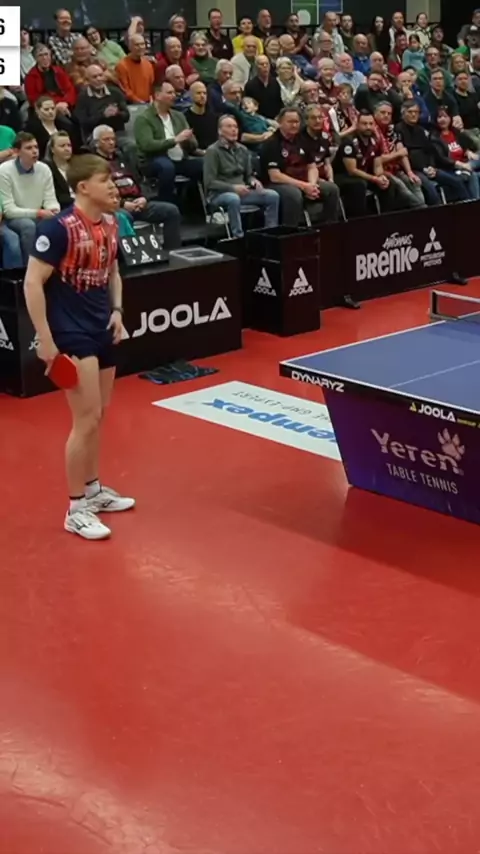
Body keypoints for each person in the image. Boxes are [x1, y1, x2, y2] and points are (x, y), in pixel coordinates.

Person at [24, 154, 135, 539]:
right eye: (106, 181)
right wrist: (45, 338)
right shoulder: (57, 229)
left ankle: (93, 490)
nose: (114, 187)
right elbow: (32, 283)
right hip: (70, 332)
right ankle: (75, 509)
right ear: (84, 187)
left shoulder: (111, 224)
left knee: (99, 414)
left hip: (102, 326)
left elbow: (113, 272)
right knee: (84, 420)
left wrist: (117, 310)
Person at [93, 124, 181, 249]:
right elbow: (99, 193)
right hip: (116, 207)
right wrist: (123, 204)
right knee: (124, 217)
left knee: (171, 211)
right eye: (106, 140)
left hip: (138, 202)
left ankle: (172, 252)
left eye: (113, 139)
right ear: (96, 143)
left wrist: (144, 198)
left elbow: (140, 180)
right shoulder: (94, 164)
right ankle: (131, 256)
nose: (111, 142)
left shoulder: (124, 157)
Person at [260, 106, 339, 225]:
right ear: (280, 122)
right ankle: (291, 230)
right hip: (279, 183)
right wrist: (304, 186)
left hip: (303, 180)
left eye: (296, 122)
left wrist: (312, 184)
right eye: (290, 122)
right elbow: (275, 176)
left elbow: (312, 166)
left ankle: (329, 227)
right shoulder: (272, 143)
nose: (294, 125)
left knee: (331, 189)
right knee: (294, 194)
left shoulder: (302, 140)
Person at [203, 114, 279, 237]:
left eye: (235, 127)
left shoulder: (243, 150)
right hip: (219, 195)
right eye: (229, 126)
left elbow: (248, 175)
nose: (234, 130)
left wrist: (253, 181)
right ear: (220, 131)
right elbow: (210, 182)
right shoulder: (212, 151)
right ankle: (238, 237)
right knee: (233, 198)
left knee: (272, 196)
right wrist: (233, 188)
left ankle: (270, 234)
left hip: (243, 192)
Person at [134, 81, 202, 202]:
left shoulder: (178, 116)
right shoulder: (144, 119)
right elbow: (147, 145)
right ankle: (166, 203)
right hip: (153, 160)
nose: (174, 96)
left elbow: (193, 145)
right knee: (166, 167)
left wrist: (188, 141)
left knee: (203, 164)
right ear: (157, 95)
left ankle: (198, 204)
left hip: (179, 159)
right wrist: (175, 140)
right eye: (169, 93)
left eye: (174, 93)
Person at [333, 110, 410, 217]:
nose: (368, 127)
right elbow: (352, 170)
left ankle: (387, 218)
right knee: (359, 185)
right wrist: (374, 179)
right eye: (364, 124)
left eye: (370, 124)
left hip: (364, 175)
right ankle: (360, 220)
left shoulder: (374, 141)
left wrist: (380, 177)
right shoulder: (349, 142)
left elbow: (377, 165)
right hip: (343, 176)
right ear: (357, 125)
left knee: (388, 183)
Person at [0, 132, 60, 263]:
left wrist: (54, 210)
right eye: (29, 148)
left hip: (39, 214)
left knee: (58, 222)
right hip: (14, 218)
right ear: (17, 152)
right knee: (28, 225)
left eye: (36, 147)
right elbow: (9, 210)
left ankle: (54, 268)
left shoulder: (44, 169)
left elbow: (50, 199)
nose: (34, 151)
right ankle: (30, 268)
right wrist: (38, 212)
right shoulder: (4, 170)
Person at [396, 100, 470, 204]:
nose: (413, 114)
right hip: (414, 170)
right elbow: (404, 154)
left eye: (416, 112)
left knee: (456, 182)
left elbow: (430, 151)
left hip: (429, 168)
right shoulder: (398, 129)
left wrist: (431, 166)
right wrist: (421, 169)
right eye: (410, 112)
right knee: (432, 190)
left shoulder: (421, 130)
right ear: (403, 113)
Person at [373, 101, 426, 207]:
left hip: (396, 169)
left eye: (389, 113)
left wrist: (409, 172)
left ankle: (423, 209)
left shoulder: (392, 130)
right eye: (383, 112)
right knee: (400, 186)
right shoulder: (372, 132)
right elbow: (377, 160)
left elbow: (403, 152)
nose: (386, 115)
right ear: (375, 114)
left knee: (414, 182)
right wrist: (396, 155)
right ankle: (422, 208)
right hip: (380, 172)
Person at [432, 107, 480, 198]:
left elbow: (467, 145)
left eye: (445, 116)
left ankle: (469, 168)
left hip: (467, 162)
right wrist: (461, 165)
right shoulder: (435, 137)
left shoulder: (455, 131)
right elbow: (442, 158)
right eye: (440, 117)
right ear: (436, 120)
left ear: (450, 118)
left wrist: (467, 151)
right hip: (453, 167)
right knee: (473, 175)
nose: (443, 119)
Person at [74, 63, 129, 138]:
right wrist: (103, 115)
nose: (99, 79)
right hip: (95, 136)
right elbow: (83, 123)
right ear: (88, 80)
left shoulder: (115, 92)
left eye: (100, 75)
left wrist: (117, 113)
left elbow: (126, 116)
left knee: (129, 144)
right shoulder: (83, 97)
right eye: (94, 77)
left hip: (117, 134)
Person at [24, 43, 77, 112]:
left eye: (46, 54)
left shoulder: (58, 70)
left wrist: (66, 103)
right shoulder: (31, 77)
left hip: (65, 104)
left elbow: (70, 89)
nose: (44, 58)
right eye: (40, 55)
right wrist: (56, 105)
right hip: (47, 109)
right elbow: (34, 99)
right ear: (35, 58)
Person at [25, 95, 72, 159]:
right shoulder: (31, 129)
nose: (50, 112)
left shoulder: (65, 126)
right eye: (46, 109)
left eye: (53, 108)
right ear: (37, 110)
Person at [115, 34, 155, 104]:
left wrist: (152, 99)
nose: (140, 47)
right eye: (137, 45)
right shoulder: (121, 66)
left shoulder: (148, 64)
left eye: (142, 44)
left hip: (148, 103)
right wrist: (139, 102)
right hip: (131, 104)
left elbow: (152, 86)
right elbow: (125, 89)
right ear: (130, 47)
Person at [244, 54, 283, 119]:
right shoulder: (250, 85)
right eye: (261, 64)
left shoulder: (275, 82)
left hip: (275, 118)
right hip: (258, 119)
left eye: (267, 64)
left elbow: (279, 103)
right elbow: (248, 107)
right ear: (256, 67)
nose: (265, 66)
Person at [45, 130, 75, 208]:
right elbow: (56, 196)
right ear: (52, 149)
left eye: (69, 145)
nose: (67, 149)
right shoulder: (47, 168)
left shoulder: (77, 165)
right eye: (62, 146)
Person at [185, 81, 218, 152]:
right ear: (190, 95)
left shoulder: (214, 117)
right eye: (198, 93)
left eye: (204, 93)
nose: (202, 96)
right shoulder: (184, 118)